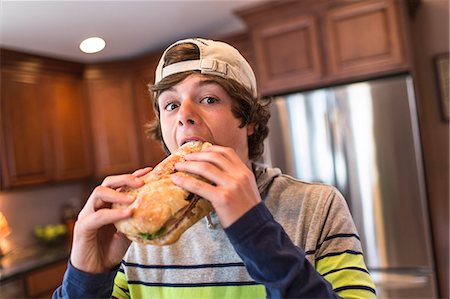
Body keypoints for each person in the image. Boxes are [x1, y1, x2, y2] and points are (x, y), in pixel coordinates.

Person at [53, 38, 376, 299]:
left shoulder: (317, 206)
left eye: (208, 99)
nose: (184, 115)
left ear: (248, 119)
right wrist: (86, 280)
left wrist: (254, 229)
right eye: (171, 104)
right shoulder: (138, 229)